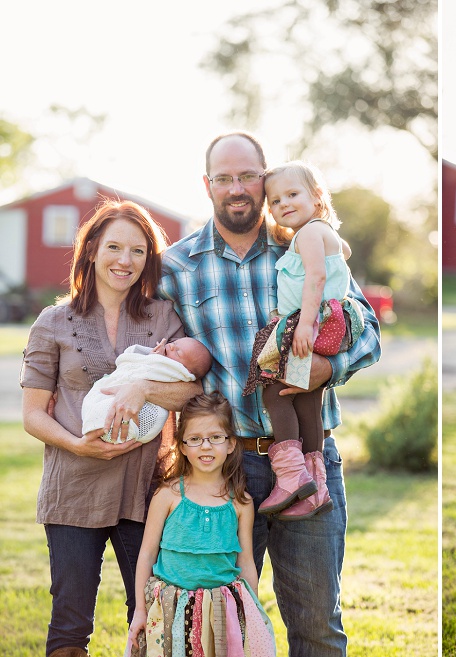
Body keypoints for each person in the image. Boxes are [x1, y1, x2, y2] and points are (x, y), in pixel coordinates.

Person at [158, 131, 381, 657]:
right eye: (224, 178)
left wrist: (324, 368)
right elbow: (157, 352)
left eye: (248, 177)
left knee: (316, 623)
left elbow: (366, 328)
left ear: (266, 178)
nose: (237, 189)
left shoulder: (303, 242)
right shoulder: (177, 266)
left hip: (309, 455)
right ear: (207, 184)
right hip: (223, 466)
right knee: (221, 622)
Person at [20, 200, 202, 657]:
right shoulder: (52, 322)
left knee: (150, 617)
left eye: (138, 251)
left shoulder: (163, 317)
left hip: (146, 489)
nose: (125, 260)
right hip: (73, 490)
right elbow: (33, 414)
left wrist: (141, 387)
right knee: (70, 623)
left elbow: (190, 392)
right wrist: (78, 446)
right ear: (92, 252)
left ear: (149, 259)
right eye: (114, 247)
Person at [243, 161, 361, 520]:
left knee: (272, 389)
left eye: (292, 194)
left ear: (317, 196)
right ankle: (316, 487)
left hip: (310, 321)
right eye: (275, 201)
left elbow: (316, 276)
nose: (283, 205)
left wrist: (305, 325)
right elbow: (345, 253)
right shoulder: (322, 232)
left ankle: (292, 477)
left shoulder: (307, 234)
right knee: (308, 400)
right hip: (334, 320)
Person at [127, 392, 275, 656]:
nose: (205, 447)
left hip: (220, 610)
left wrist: (250, 609)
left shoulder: (241, 502)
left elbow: (246, 562)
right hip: (170, 608)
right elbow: (147, 554)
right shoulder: (168, 495)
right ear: (182, 446)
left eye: (216, 437)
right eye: (195, 439)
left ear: (231, 444)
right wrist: (140, 609)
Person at [82, 336, 212, 444]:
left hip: (138, 419)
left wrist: (156, 358)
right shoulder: (163, 357)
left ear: (186, 370)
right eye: (174, 343)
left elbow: (154, 368)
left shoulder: (175, 372)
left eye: (178, 352)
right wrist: (153, 355)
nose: (171, 346)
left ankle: (101, 425)